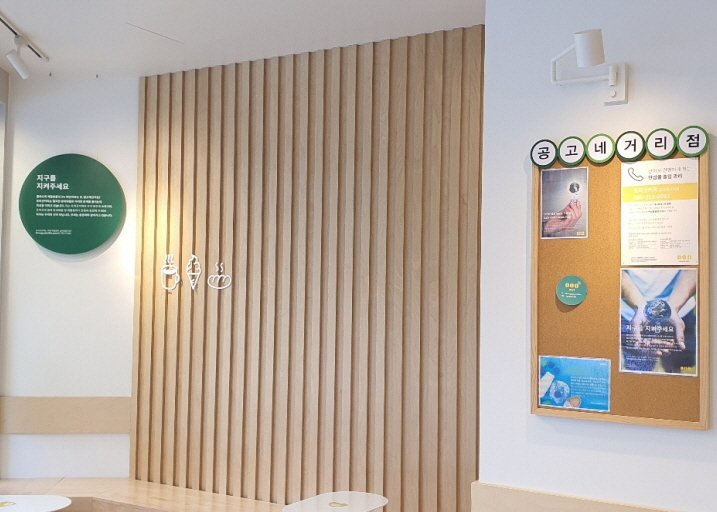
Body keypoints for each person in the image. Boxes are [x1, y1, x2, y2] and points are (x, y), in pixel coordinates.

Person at [620, 268, 697, 374]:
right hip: (632, 315)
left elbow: (694, 269)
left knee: (677, 366)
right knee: (637, 371)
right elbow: (615, 272)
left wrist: (672, 308)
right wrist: (641, 307)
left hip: (680, 311)